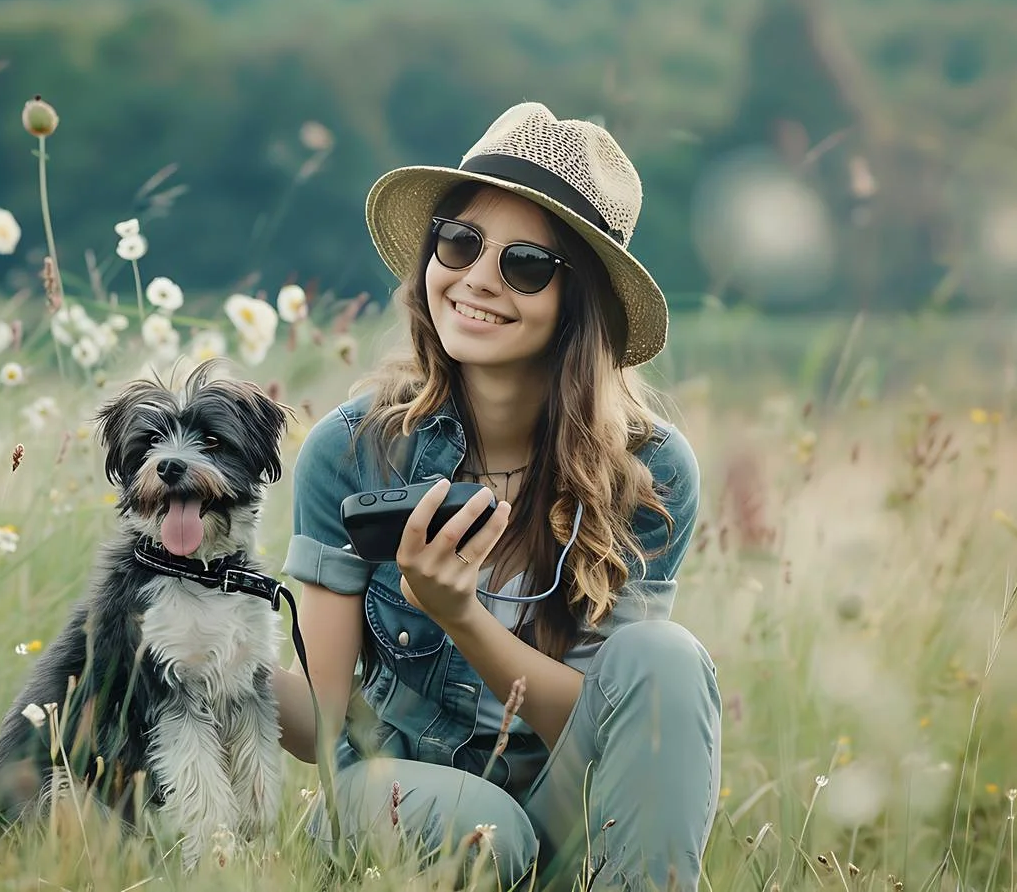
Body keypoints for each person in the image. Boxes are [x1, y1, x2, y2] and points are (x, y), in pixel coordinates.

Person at [270, 102, 722, 891]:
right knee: (487, 834)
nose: (477, 278)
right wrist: (198, 658)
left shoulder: (653, 475)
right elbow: (324, 719)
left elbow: (612, 726)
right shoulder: (351, 450)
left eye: (525, 264)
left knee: (667, 659)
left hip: (567, 803)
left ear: (576, 303)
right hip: (401, 791)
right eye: (460, 241)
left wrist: (461, 615)